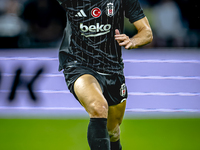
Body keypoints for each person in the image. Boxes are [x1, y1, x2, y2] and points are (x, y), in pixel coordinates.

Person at [57, 0, 153, 150]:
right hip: (78, 64)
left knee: (113, 131)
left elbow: (146, 32)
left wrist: (133, 41)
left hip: (113, 69)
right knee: (99, 107)